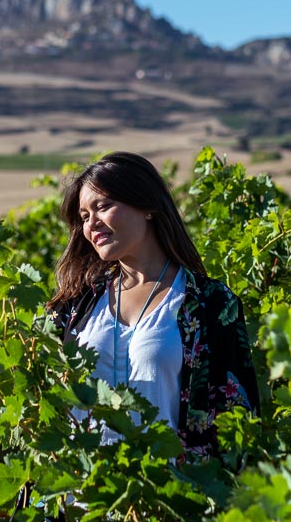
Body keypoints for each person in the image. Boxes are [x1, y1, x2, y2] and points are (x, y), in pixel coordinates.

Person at [47, 151, 259, 459]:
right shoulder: (76, 303)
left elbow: (239, 417)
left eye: (103, 207)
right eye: (83, 217)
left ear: (146, 206)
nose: (92, 224)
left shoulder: (210, 303)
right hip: (81, 501)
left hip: (171, 498)